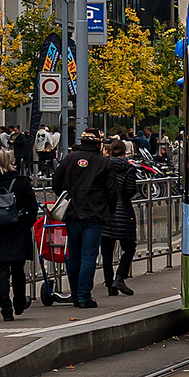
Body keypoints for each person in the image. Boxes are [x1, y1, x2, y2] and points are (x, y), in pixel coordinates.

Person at [51, 128, 115, 309]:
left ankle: (75, 293)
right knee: (89, 256)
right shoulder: (103, 162)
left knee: (75, 255)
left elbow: (56, 183)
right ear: (97, 143)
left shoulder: (69, 159)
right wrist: (109, 211)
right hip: (94, 214)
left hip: (72, 213)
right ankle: (84, 296)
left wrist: (68, 197)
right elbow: (111, 192)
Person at [0, 149, 38, 321]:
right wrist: (26, 223)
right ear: (11, 163)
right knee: (18, 269)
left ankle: (5, 307)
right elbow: (32, 207)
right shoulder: (22, 183)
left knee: (1, 270)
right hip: (18, 230)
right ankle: (19, 301)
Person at [101, 138, 138, 297]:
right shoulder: (129, 169)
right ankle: (120, 277)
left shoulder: (103, 167)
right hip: (123, 213)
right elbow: (130, 191)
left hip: (105, 212)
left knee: (107, 252)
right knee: (129, 248)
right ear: (125, 152)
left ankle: (110, 284)